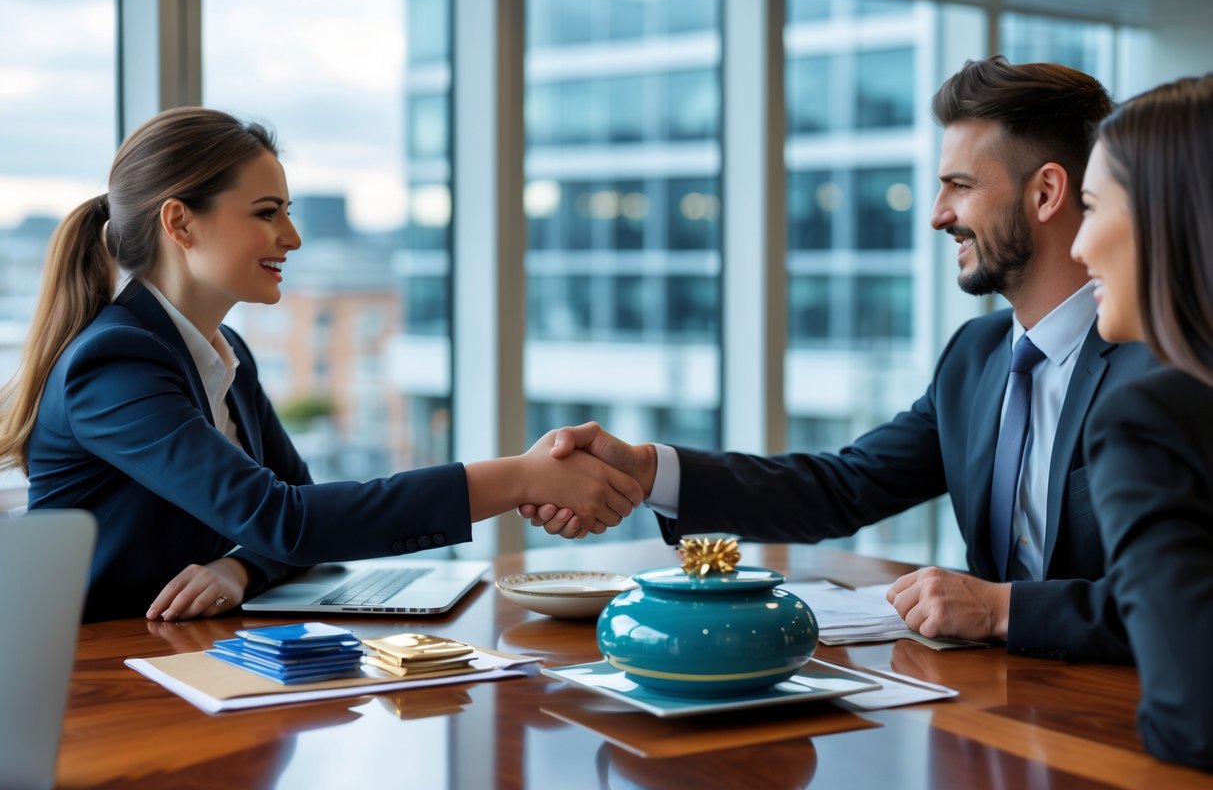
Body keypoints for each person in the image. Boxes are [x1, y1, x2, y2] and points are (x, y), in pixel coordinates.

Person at [524, 56, 1158, 661]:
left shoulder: (1163, 370)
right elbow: (842, 486)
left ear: (1046, 193)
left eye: (960, 187)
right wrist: (645, 471)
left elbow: (1180, 600)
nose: (938, 216)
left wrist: (1001, 609)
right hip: (996, 715)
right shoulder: (976, 358)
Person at [0, 106, 641, 623]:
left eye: (288, 212)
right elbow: (289, 521)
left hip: (177, 657)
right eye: (267, 213)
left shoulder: (227, 354)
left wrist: (241, 568)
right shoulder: (114, 362)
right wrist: (517, 479)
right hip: (84, 675)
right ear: (180, 223)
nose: (292, 238)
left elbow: (295, 512)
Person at [1071, 72, 1213, 771]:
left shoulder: (1147, 420)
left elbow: (1192, 719)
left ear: (1168, 219)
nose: (1077, 247)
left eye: (1091, 207)